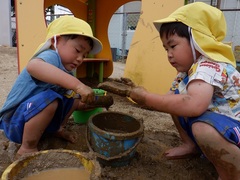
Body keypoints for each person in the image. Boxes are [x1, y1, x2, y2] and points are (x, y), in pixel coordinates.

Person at [129, 2, 240, 180]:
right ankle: (191, 146)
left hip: (234, 128)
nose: (169, 54)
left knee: (201, 127)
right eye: (166, 49)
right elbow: (169, 100)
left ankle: (231, 173)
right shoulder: (184, 74)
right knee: (175, 103)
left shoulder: (209, 65)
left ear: (197, 40)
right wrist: (143, 98)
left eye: (173, 46)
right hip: (217, 125)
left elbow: (194, 105)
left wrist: (147, 98)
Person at [0, 16, 103, 157]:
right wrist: (78, 85)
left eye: (84, 55)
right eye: (78, 50)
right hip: (15, 123)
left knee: (71, 97)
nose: (80, 58)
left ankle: (57, 129)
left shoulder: (68, 70)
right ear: (57, 41)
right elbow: (33, 66)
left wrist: (82, 103)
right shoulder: (50, 56)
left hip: (36, 121)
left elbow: (69, 97)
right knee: (50, 99)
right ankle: (27, 148)